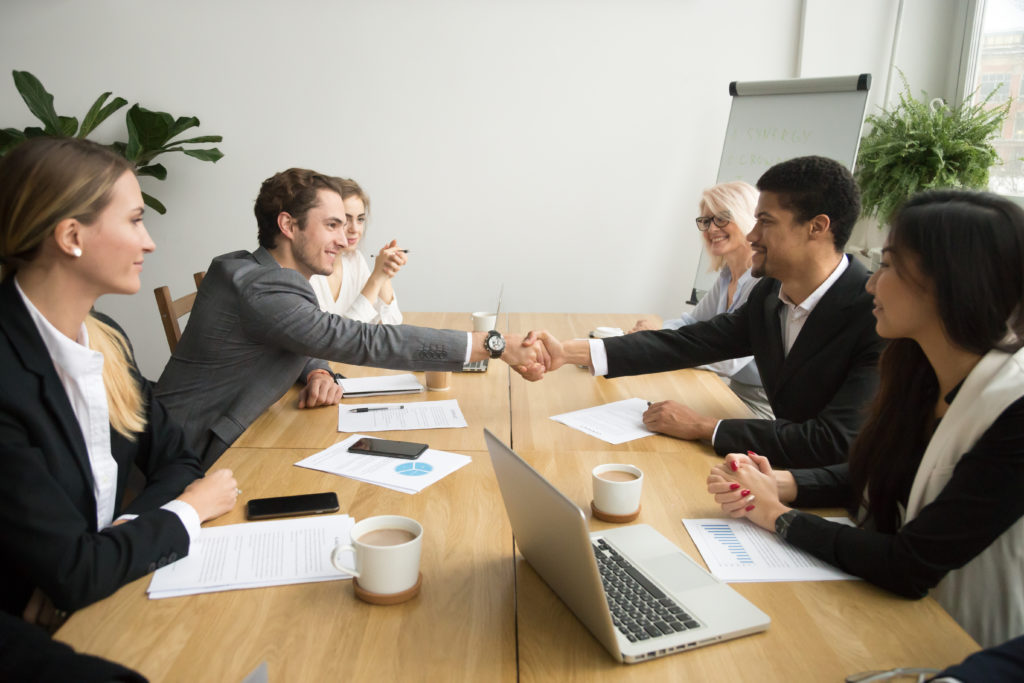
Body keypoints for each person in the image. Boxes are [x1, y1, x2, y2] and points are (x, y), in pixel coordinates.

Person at [706, 190, 1024, 647]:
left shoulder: (1014, 404)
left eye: (890, 265)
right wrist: (785, 484)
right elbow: (882, 473)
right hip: (896, 619)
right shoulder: (918, 368)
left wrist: (776, 514)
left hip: (961, 643)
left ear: (952, 282)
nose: (872, 283)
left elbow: (910, 564)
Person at [155, 168, 546, 469]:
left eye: (346, 225)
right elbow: (362, 340)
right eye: (332, 226)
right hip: (193, 456)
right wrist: (494, 344)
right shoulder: (263, 289)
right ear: (288, 226)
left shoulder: (256, 272)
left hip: (228, 433)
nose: (345, 240)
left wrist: (318, 371)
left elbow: (291, 332)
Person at [0, 137, 238, 626]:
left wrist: (117, 541)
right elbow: (74, 572)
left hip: (99, 604)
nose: (149, 241)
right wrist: (187, 512)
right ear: (71, 237)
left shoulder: (105, 337)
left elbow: (177, 458)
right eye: (134, 220)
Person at [526, 156, 884, 468]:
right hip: (781, 469)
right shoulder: (770, 296)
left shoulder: (875, 316)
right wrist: (569, 351)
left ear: (817, 227)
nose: (753, 234)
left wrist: (704, 427)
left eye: (766, 222)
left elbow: (835, 442)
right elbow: (689, 342)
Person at [629, 181, 772, 419]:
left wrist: (658, 341)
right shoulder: (728, 275)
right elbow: (692, 323)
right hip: (732, 391)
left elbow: (728, 360)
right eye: (705, 221)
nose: (711, 229)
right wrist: (654, 332)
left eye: (721, 218)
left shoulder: (763, 281)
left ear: (746, 217)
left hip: (764, 405)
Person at [308, 178, 405, 324]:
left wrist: (384, 273)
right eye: (345, 220)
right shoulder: (308, 271)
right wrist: (376, 278)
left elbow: (391, 325)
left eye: (360, 219)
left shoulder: (354, 259)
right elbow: (339, 337)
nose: (355, 229)